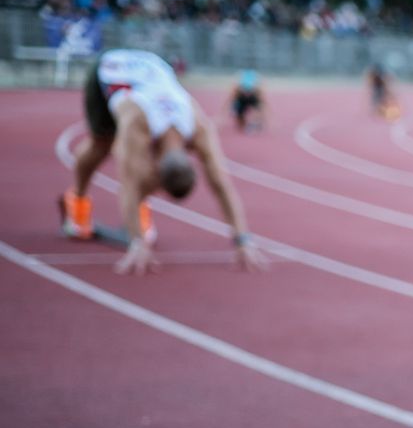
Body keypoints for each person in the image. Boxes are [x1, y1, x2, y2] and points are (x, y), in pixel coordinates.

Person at [61, 48, 267, 275]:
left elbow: (221, 183)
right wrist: (137, 242)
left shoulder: (200, 128)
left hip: (150, 70)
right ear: (157, 163)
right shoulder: (136, 124)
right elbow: (129, 184)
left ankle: (138, 219)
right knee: (101, 146)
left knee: (137, 170)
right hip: (110, 71)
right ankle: (77, 205)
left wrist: (243, 239)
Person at [229, 68, 265, 133]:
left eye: (249, 90)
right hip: (241, 100)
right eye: (245, 90)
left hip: (252, 98)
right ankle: (245, 123)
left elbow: (264, 103)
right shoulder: (237, 90)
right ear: (241, 87)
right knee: (240, 124)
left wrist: (267, 119)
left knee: (259, 110)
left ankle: (254, 123)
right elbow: (229, 101)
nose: (247, 93)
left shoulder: (256, 91)